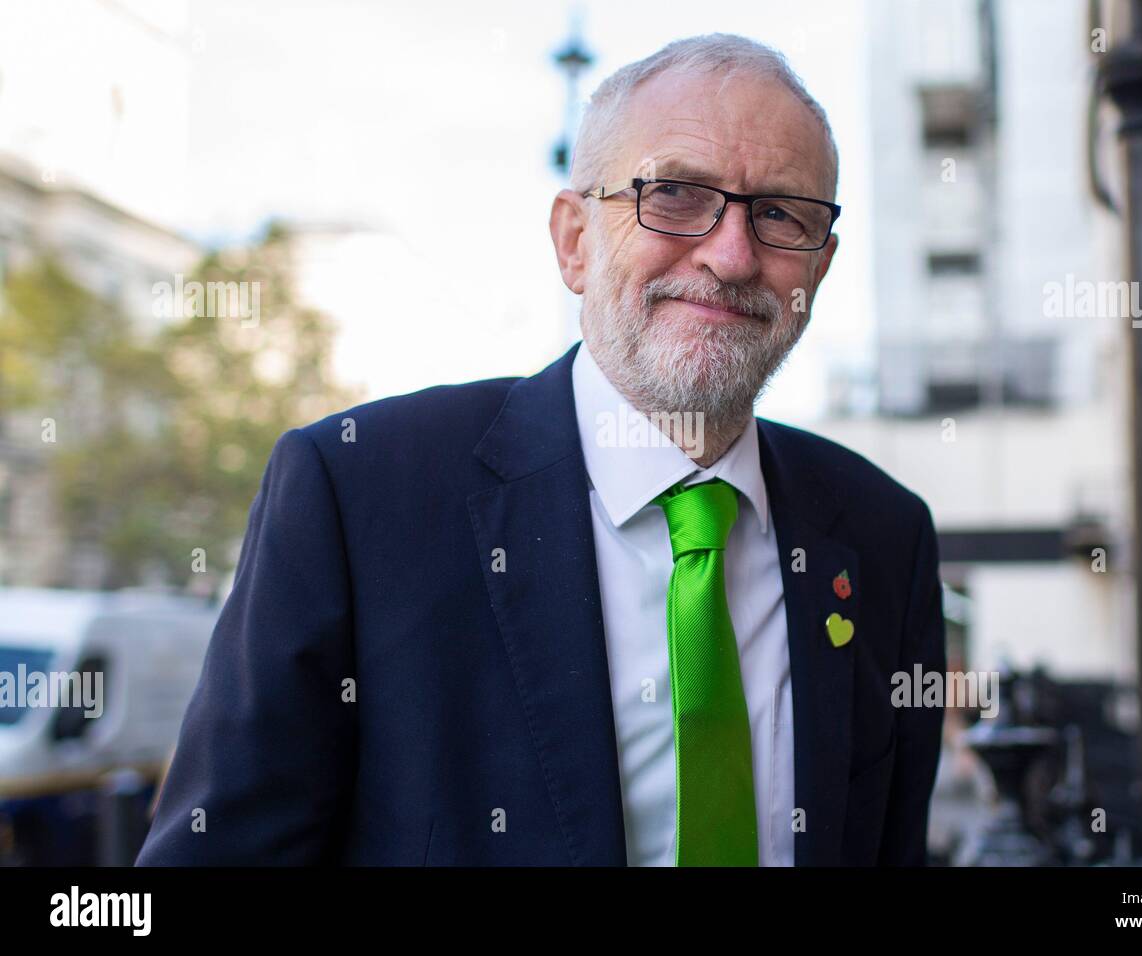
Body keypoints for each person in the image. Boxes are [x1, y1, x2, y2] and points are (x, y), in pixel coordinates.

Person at [136, 32, 945, 867]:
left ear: (820, 268)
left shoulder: (886, 538)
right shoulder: (359, 496)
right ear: (574, 242)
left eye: (780, 213)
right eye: (672, 194)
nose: (731, 255)